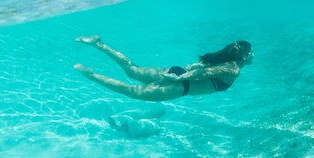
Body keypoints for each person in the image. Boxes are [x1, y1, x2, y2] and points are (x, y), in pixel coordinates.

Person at [74, 36, 253, 101]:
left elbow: (201, 68)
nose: (253, 55)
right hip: (179, 85)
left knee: (132, 70)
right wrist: (179, 79)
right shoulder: (233, 70)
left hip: (177, 71)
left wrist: (181, 74)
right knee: (132, 91)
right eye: (251, 52)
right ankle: (90, 74)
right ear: (244, 56)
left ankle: (99, 44)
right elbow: (204, 72)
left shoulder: (223, 61)